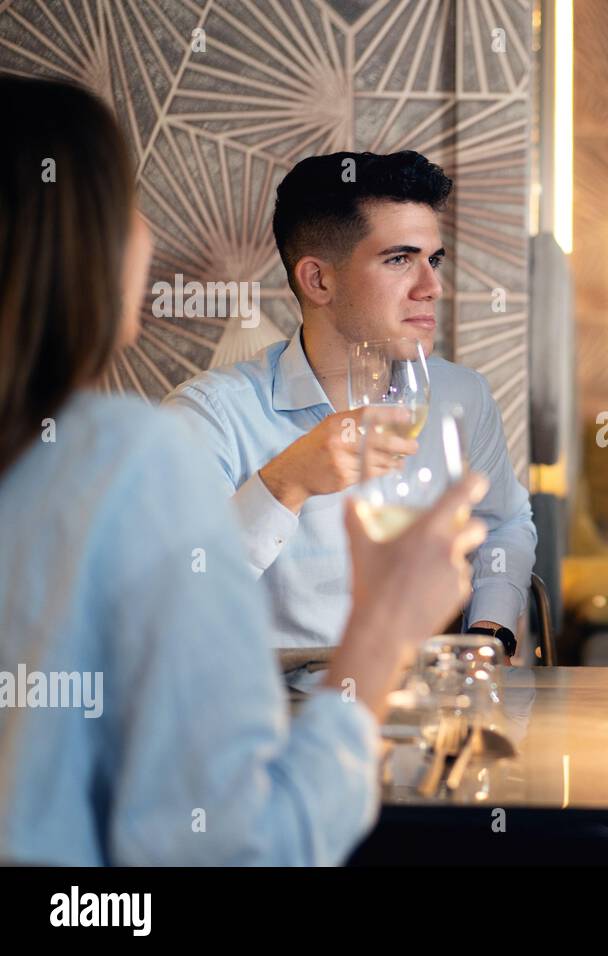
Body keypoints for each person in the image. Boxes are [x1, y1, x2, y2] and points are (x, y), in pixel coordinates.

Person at [0, 76, 487, 866]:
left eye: (434, 258)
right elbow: (251, 850)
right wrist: (382, 629)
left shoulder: (450, 400)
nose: (149, 233)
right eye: (125, 203)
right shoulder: (134, 450)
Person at [162, 151, 535, 659]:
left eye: (434, 260)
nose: (433, 287)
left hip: (425, 709)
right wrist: (284, 484)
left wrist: (489, 634)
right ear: (318, 280)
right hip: (271, 717)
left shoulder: (459, 396)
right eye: (400, 259)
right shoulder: (210, 417)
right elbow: (169, 604)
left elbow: (504, 525)